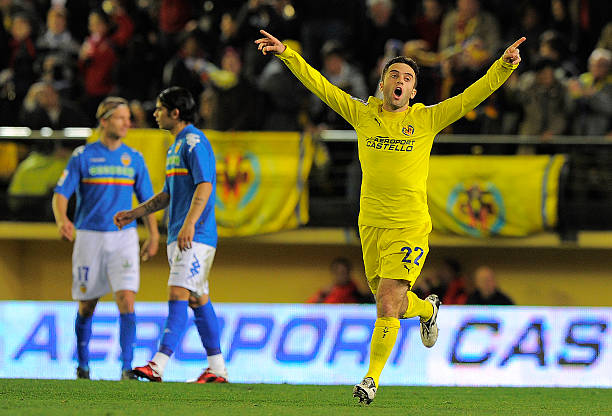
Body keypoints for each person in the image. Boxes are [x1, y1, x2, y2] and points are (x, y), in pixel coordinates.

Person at [255, 29, 524, 404]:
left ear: (414, 92)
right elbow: (321, 86)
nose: (400, 81)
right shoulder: (363, 114)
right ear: (382, 83)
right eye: (394, 75)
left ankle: (370, 380)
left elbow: (470, 97)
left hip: (410, 224)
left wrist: (503, 66)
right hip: (371, 225)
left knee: (386, 302)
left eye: (408, 78)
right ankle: (427, 308)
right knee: (394, 304)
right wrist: (286, 53)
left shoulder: (427, 119)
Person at [114, 87, 228, 384]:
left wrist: (190, 223)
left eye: (159, 108)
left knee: (178, 293)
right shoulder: (175, 146)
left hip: (196, 235)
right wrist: (133, 214)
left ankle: (158, 364)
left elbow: (205, 185)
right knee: (198, 298)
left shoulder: (194, 142)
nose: (155, 113)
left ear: (175, 113)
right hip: (180, 234)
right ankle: (217, 369)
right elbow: (167, 195)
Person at [52, 97, 160, 380]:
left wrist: (154, 233)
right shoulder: (83, 156)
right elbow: (61, 193)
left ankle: (127, 367)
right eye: (121, 118)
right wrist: (63, 220)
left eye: (128, 118)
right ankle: (83, 365)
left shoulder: (134, 158)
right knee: (87, 304)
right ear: (104, 121)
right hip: (89, 237)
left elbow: (147, 200)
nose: (127, 123)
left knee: (126, 298)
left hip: (124, 237)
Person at [307, 257, 374, 304]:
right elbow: (308, 307)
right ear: (333, 273)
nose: (340, 276)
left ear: (349, 273)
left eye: (343, 272)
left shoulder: (354, 291)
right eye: (337, 273)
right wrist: (321, 296)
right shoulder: (326, 292)